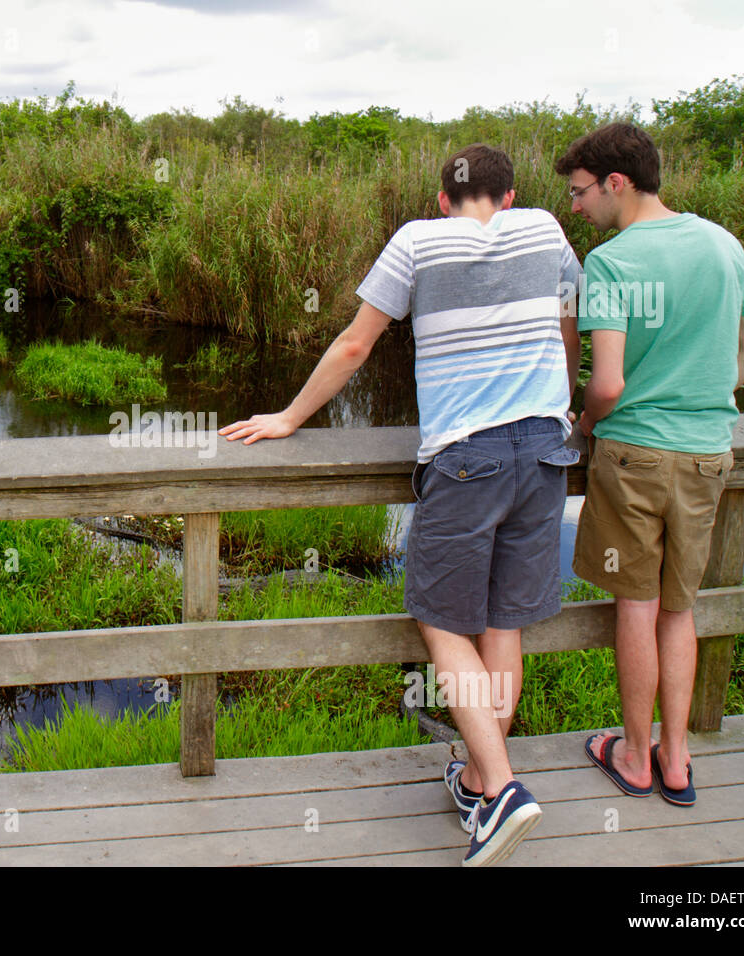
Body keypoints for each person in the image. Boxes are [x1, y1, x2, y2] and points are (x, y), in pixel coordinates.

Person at [219, 143, 582, 866]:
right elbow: (568, 327)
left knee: (442, 621)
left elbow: (356, 345)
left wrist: (290, 418)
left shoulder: (417, 240)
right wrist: (563, 402)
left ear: (443, 198)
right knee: (504, 619)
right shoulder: (547, 229)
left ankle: (505, 790)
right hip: (546, 449)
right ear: (508, 196)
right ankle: (480, 780)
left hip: (467, 458)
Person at [554, 122, 744, 807]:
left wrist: (583, 422)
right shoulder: (721, 242)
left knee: (636, 606)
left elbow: (609, 383)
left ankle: (633, 753)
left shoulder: (614, 263)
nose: (576, 207)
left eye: (580, 192)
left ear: (616, 182)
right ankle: (677, 761)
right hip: (707, 455)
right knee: (681, 610)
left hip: (636, 455)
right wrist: (704, 396)